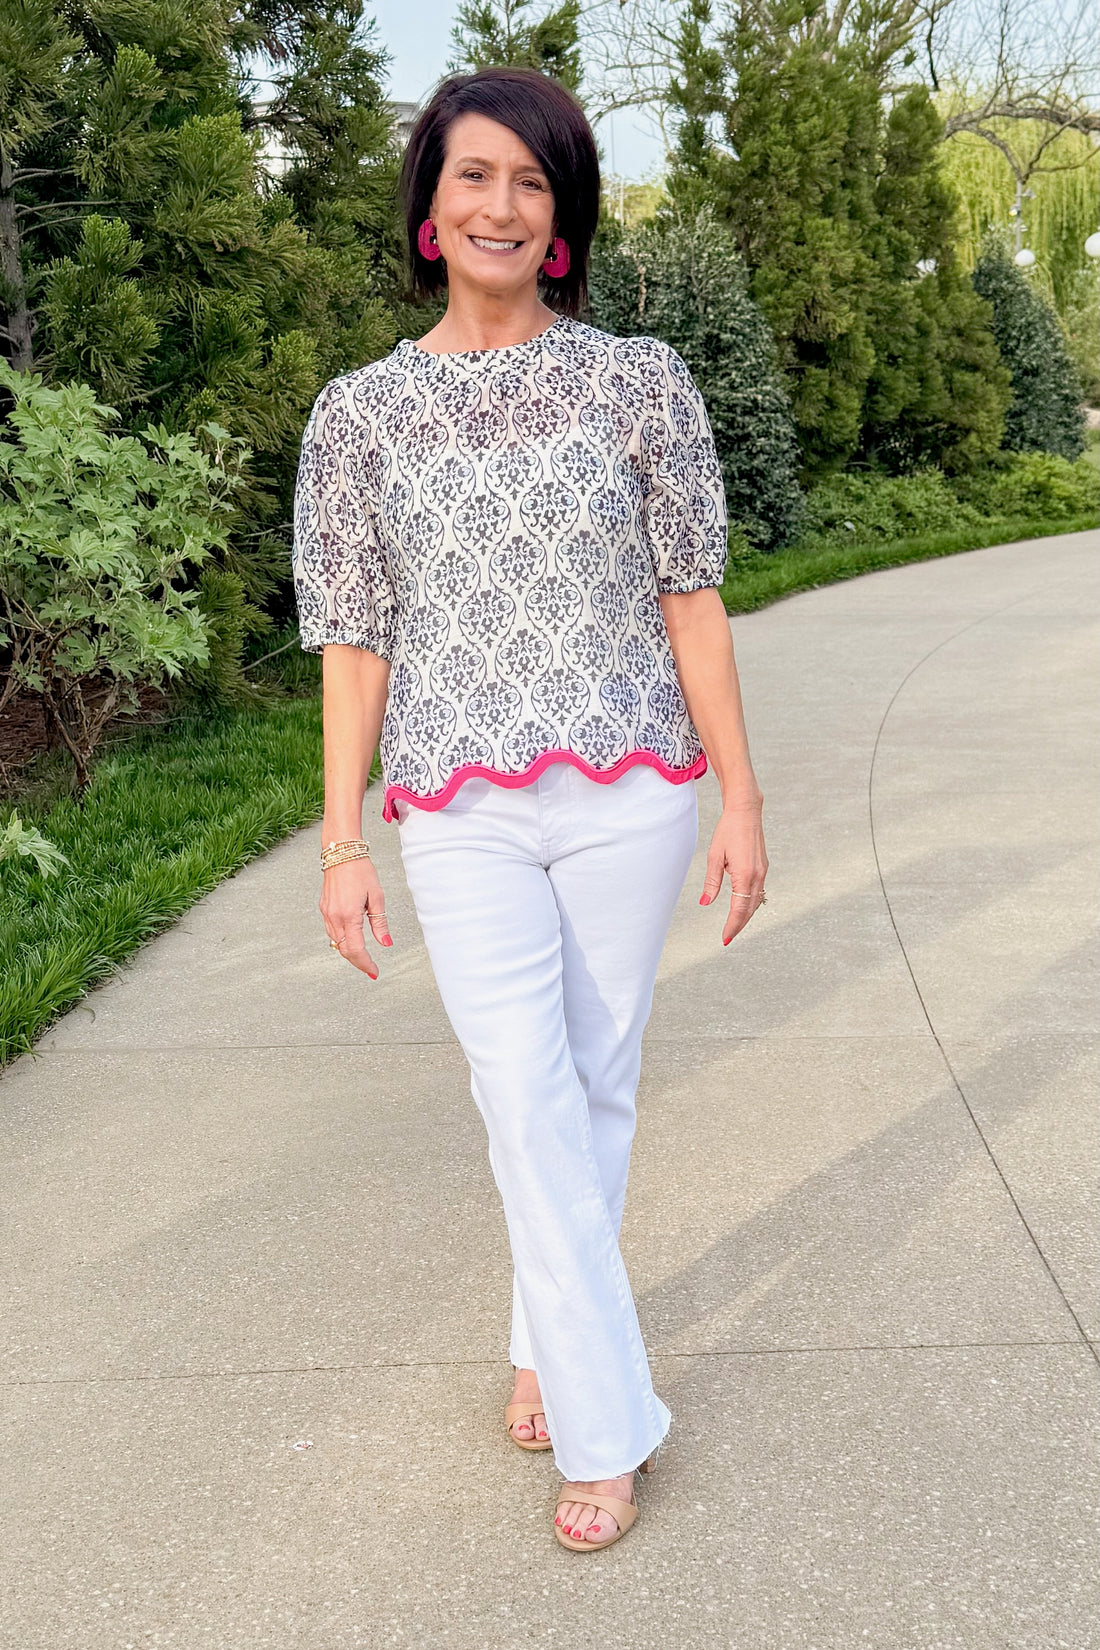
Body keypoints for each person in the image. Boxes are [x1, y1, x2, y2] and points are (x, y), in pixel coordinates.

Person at [292, 64, 768, 1553]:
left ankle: (542, 1335)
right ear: (430, 206)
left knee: (595, 1078)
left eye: (534, 182)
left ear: (559, 220)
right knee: (522, 1084)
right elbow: (353, 637)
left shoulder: (640, 381)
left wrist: (741, 796)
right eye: (475, 176)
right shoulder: (359, 415)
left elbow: (693, 604)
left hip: (633, 790)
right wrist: (343, 836)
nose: (502, 205)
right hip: (457, 803)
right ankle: (606, 1418)